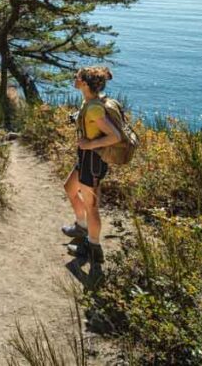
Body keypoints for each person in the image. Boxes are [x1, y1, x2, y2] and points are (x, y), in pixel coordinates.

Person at [62, 66, 122, 264]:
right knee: (69, 188)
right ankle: (81, 225)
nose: (74, 78)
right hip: (85, 158)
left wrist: (90, 144)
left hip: (93, 162)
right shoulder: (89, 101)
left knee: (92, 207)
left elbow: (115, 136)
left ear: (85, 83)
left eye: (77, 77)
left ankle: (93, 249)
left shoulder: (95, 108)